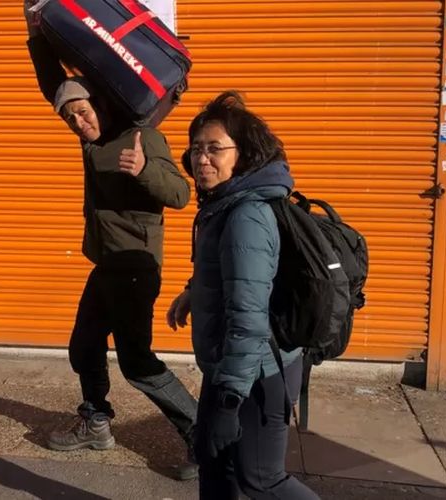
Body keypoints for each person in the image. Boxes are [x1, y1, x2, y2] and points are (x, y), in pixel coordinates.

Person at [23, 3, 198, 479]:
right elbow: (51, 85)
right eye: (70, 119)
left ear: (100, 102)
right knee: (83, 347)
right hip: (106, 265)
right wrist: (35, 30)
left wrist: (144, 174)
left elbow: (181, 195)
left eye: (81, 113)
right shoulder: (91, 139)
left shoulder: (141, 138)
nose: (78, 123)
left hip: (137, 268)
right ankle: (95, 423)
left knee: (138, 363)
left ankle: (205, 441)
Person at [167, 91, 320, 499]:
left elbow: (249, 319)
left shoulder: (246, 215)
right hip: (231, 366)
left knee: (260, 479)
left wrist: (229, 401)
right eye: (196, 148)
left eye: (214, 148)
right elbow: (229, 271)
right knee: (214, 466)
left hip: (256, 373)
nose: (202, 159)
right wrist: (192, 292)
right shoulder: (226, 203)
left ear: (243, 154)